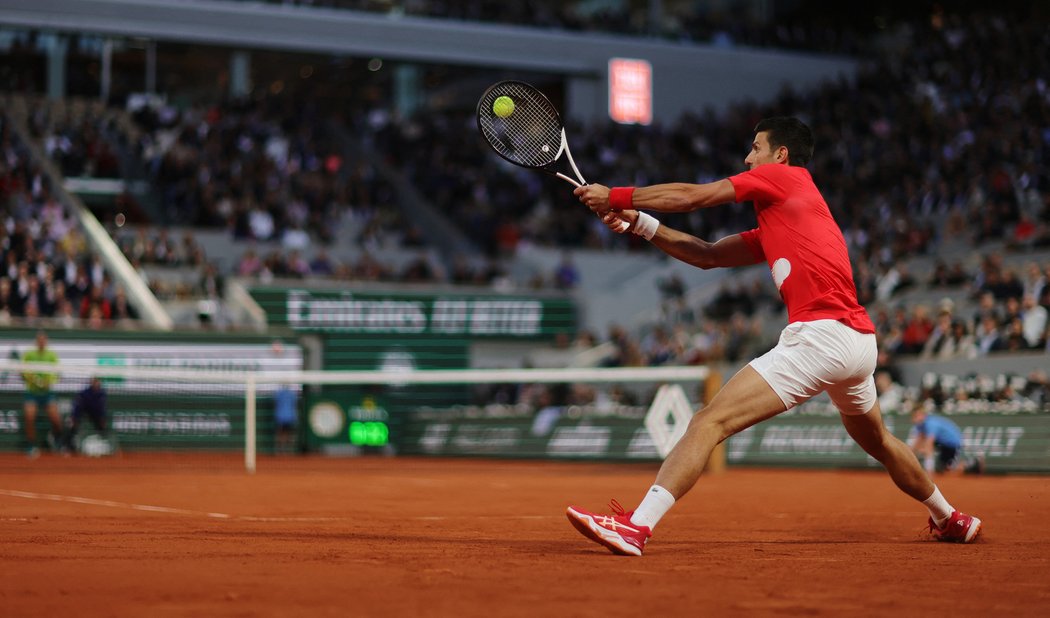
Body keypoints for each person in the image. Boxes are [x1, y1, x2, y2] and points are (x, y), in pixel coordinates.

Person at [567, 117, 982, 555]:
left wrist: (613, 195)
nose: (749, 157)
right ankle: (949, 517)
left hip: (820, 337)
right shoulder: (787, 212)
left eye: (756, 147)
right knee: (877, 440)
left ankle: (636, 527)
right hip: (858, 343)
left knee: (709, 421)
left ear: (779, 154)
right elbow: (707, 256)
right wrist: (637, 223)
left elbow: (693, 197)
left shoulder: (781, 178)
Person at [21, 330, 62, 458]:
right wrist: (32, 379)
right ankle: (31, 445)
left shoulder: (52, 355)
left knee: (56, 419)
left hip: (47, 393)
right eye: (39, 340)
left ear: (46, 341)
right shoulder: (29, 354)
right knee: (29, 417)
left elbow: (57, 373)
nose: (41, 342)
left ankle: (55, 439)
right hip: (32, 392)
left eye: (43, 340)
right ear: (36, 341)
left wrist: (47, 382)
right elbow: (22, 370)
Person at [909, 407, 984, 475]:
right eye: (915, 416)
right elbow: (917, 443)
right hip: (942, 445)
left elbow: (929, 443)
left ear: (924, 415)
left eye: (918, 415)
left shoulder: (931, 423)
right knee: (942, 469)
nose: (916, 418)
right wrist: (909, 457)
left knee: (951, 470)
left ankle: (974, 463)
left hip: (952, 444)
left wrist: (929, 470)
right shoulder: (920, 426)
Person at [66, 377, 110, 453]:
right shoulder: (84, 393)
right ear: (91, 383)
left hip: (95, 415)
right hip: (82, 413)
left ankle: (105, 444)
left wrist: (102, 419)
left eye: (97, 382)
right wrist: (74, 418)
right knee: (73, 424)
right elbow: (78, 407)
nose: (96, 384)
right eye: (94, 382)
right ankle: (70, 446)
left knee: (102, 424)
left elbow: (102, 408)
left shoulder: (102, 394)